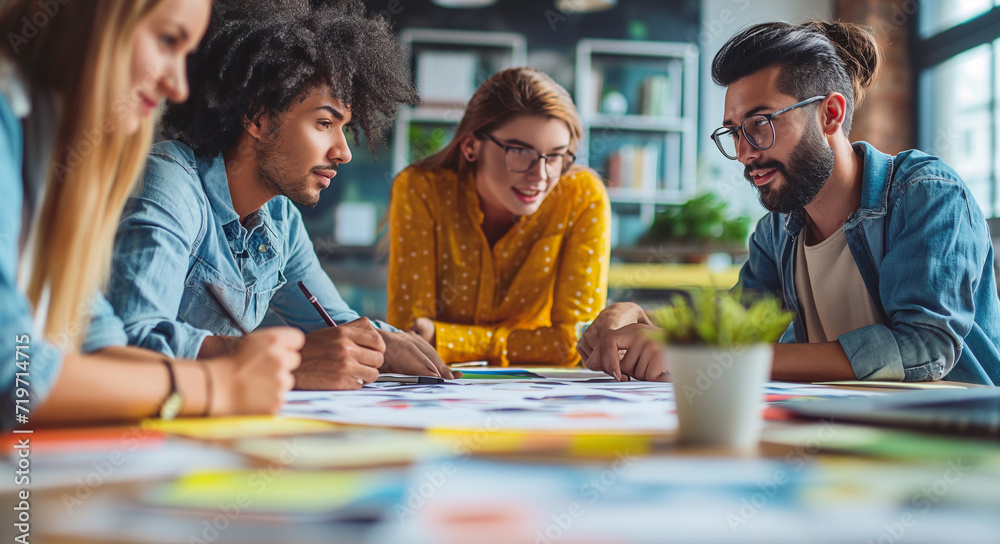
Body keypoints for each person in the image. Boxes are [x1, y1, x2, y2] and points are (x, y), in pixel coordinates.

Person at [579, 21, 1000, 385]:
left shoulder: (926, 194)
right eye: (733, 132)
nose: (744, 152)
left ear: (830, 115)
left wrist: (714, 359)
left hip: (955, 440)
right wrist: (639, 321)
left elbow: (925, 348)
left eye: (760, 124)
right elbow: (732, 331)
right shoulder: (776, 231)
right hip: (836, 441)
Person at [107, 0, 455, 390]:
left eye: (345, 128)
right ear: (258, 118)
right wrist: (291, 359)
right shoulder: (169, 182)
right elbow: (133, 340)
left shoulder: (280, 218)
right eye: (324, 123)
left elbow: (335, 322)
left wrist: (383, 340)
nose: (344, 151)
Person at [0, 0, 305, 429]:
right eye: (167, 40)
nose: (178, 86)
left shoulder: (53, 155)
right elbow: (15, 381)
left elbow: (99, 344)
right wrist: (217, 386)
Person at [387, 67, 612, 367]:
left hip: (540, 395)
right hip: (440, 389)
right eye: (519, 151)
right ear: (471, 146)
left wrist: (446, 338)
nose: (541, 175)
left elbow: (574, 343)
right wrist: (526, 343)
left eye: (556, 156)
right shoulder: (420, 190)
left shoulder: (582, 196)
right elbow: (409, 337)